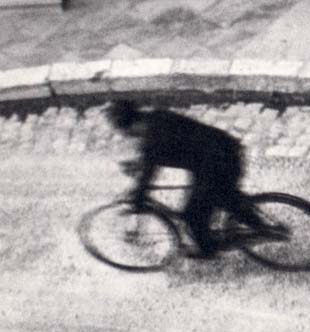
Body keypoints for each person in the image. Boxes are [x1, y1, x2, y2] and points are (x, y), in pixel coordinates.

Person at [106, 99, 259, 257]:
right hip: (219, 154)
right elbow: (157, 155)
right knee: (214, 199)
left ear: (129, 126)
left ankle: (211, 250)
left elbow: (149, 170)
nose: (129, 136)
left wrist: (138, 198)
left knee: (194, 213)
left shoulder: (152, 139)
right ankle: (250, 222)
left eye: (126, 132)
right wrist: (139, 166)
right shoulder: (156, 118)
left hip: (220, 160)